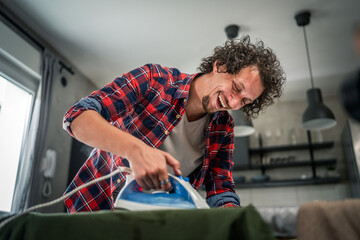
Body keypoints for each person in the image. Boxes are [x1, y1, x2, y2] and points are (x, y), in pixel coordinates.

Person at [63, 35, 286, 212]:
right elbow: (77, 116)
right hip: (94, 207)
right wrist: (136, 150)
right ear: (220, 66)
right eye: (236, 88)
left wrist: (232, 215)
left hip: (155, 222)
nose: (234, 102)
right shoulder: (154, 80)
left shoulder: (224, 126)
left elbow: (220, 188)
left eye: (245, 101)